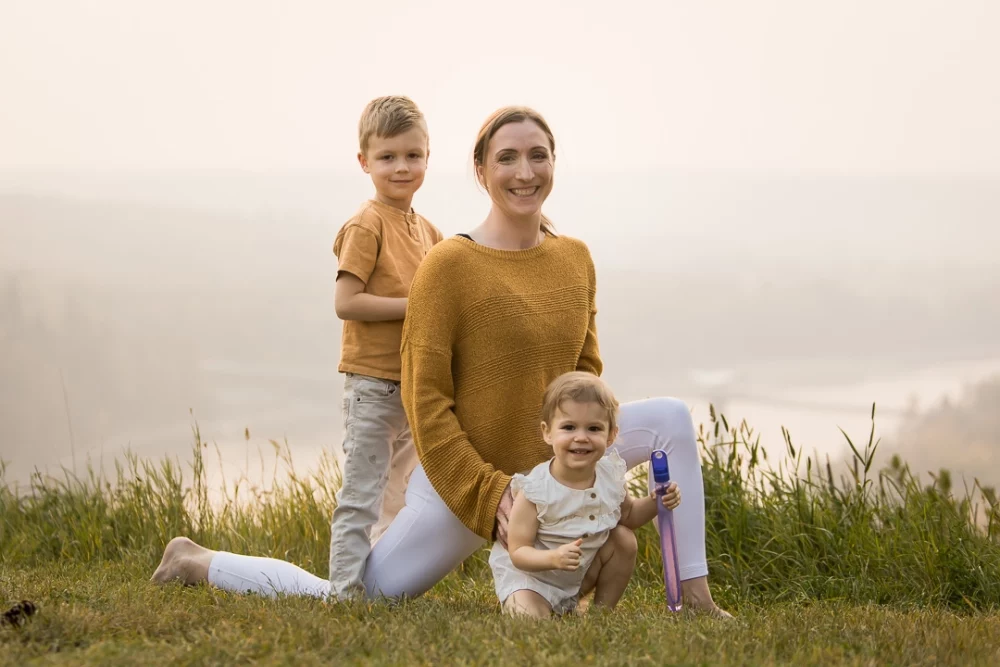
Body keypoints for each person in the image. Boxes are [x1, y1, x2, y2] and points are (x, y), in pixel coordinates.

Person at [151, 105, 730, 618]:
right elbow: (425, 405)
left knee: (671, 420)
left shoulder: (575, 259)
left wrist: (582, 481)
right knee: (357, 598)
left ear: (555, 162)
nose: (524, 172)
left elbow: (586, 380)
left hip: (548, 467)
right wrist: (489, 495)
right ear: (481, 172)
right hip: (463, 478)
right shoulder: (448, 265)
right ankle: (198, 560)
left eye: (537, 156)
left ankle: (695, 597)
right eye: (507, 158)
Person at [328, 95, 444, 599]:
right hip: (373, 385)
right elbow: (346, 302)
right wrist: (414, 306)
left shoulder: (428, 230)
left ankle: (383, 587)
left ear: (427, 157)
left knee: (398, 496)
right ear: (364, 162)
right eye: (388, 157)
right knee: (362, 495)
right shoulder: (366, 224)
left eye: (412, 155)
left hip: (415, 386)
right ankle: (344, 592)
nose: (402, 167)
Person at [494, 372, 681, 619]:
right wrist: (553, 557)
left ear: (611, 435)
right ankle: (535, 606)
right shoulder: (535, 489)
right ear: (547, 432)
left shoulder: (609, 476)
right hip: (533, 579)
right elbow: (518, 552)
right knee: (531, 620)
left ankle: (600, 614)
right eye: (569, 427)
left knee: (623, 539)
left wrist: (657, 500)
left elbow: (629, 516)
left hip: (577, 576)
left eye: (593, 428)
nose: (581, 437)